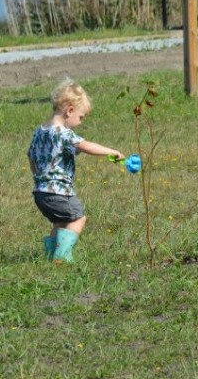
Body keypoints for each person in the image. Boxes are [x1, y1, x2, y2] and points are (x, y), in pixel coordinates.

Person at [27, 79, 125, 263]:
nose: (80, 122)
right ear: (69, 110)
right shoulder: (64, 133)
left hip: (40, 192)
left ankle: (51, 256)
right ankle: (62, 256)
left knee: (60, 222)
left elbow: (31, 156)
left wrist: (37, 176)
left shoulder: (40, 132)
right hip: (59, 193)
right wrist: (111, 152)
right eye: (80, 117)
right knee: (78, 218)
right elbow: (86, 146)